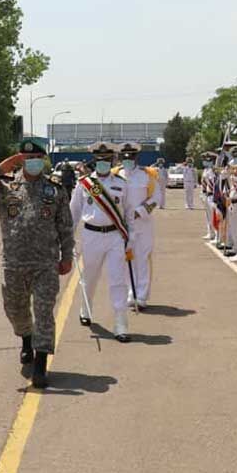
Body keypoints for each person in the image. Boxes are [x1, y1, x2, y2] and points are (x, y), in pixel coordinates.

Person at [0, 139, 74, 389]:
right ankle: (26, 338)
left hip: (45, 264)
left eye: (37, 156)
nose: (32, 161)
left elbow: (65, 227)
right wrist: (2, 167)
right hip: (14, 263)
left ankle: (40, 364)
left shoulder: (55, 190)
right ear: (20, 159)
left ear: (44, 159)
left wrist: (66, 256)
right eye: (26, 158)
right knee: (15, 310)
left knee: (44, 312)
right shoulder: (5, 187)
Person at [68, 142, 134, 343]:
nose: (103, 163)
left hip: (115, 236)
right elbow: (74, 212)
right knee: (90, 276)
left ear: (112, 160)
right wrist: (68, 238)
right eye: (100, 160)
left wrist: (130, 238)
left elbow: (129, 213)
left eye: (107, 160)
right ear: (95, 161)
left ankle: (121, 323)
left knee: (117, 280)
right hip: (91, 235)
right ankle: (85, 309)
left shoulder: (122, 184)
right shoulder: (84, 184)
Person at [116, 142, 162, 309]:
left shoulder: (148, 175)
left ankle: (141, 295)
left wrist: (140, 211)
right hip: (122, 225)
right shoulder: (115, 174)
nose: (128, 160)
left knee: (142, 258)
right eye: (124, 157)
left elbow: (157, 198)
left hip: (142, 224)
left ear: (136, 157)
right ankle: (131, 291)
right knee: (125, 258)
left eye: (131, 156)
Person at [200, 152, 217, 240]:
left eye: (206, 160)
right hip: (205, 194)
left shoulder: (213, 170)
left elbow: (213, 184)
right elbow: (204, 182)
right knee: (208, 216)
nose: (204, 162)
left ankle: (217, 235)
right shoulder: (205, 170)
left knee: (213, 215)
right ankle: (210, 232)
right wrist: (202, 193)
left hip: (212, 195)